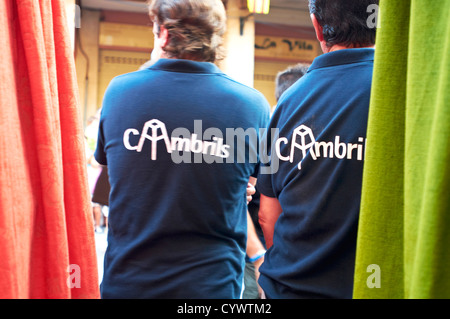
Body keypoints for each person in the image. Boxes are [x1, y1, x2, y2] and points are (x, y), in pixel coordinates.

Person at [95, 0, 270, 298]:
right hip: (211, 286)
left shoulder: (120, 91)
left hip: (128, 282)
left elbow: (111, 177)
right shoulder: (253, 106)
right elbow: (257, 190)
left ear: (163, 34)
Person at [256, 0, 378, 299]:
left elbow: (267, 214)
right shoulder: (400, 90)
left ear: (317, 25)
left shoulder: (288, 102)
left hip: (288, 287)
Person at [243, 62, 309, 299]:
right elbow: (241, 203)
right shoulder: (264, 136)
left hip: (285, 260)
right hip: (256, 256)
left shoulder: (302, 136)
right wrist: (262, 258)